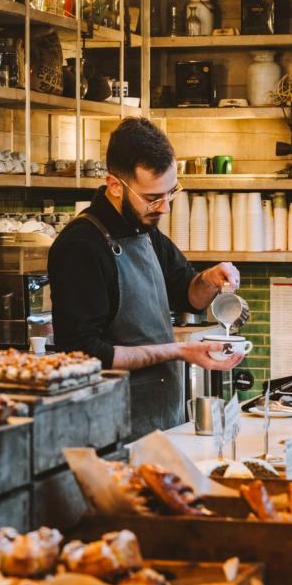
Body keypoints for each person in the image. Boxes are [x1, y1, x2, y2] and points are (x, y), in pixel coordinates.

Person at [48, 117, 245, 439]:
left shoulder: (145, 230)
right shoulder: (81, 247)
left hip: (161, 419)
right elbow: (84, 353)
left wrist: (210, 279)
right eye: (153, 197)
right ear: (114, 185)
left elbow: (186, 295)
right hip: (110, 430)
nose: (165, 208)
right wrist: (178, 351)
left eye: (171, 193)